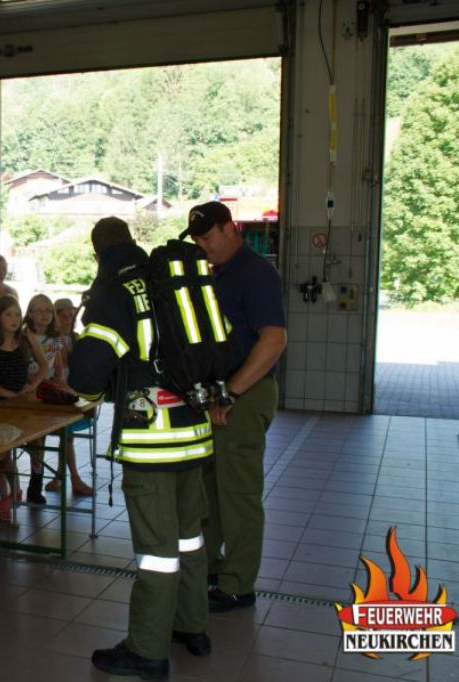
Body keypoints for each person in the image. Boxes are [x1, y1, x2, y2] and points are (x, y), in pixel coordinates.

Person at [69, 217, 214, 681]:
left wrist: (83, 399)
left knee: (156, 551)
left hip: (152, 441)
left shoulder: (116, 290)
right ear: (132, 241)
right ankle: (192, 625)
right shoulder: (167, 276)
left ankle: (147, 649)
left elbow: (91, 365)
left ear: (97, 254)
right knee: (190, 536)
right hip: (195, 431)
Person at [182, 201, 287, 613]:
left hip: (246, 393)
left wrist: (232, 392)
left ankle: (239, 584)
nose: (202, 246)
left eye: (207, 238)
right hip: (220, 394)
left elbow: (274, 339)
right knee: (210, 487)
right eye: (197, 240)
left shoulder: (255, 273)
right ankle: (212, 566)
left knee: (238, 492)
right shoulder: (220, 273)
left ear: (230, 229)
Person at [0, 295, 46, 522]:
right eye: (8, 314)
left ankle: (16, 491)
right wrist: (8, 394)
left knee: (22, 446)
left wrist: (32, 385)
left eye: (17, 315)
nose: (14, 319)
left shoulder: (25, 339)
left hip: (20, 404)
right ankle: (8, 497)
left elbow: (43, 364)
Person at [22, 293, 66, 504]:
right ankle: (34, 482)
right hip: (30, 389)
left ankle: (36, 481)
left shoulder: (55, 337)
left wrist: (59, 382)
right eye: (39, 310)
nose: (45, 314)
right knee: (35, 439)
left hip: (47, 389)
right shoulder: (25, 336)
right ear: (30, 313)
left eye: (48, 310)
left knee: (42, 437)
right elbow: (23, 366)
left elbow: (58, 364)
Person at [49, 298, 94, 496]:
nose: (67, 320)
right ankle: (73, 478)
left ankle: (62, 475)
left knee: (67, 437)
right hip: (57, 393)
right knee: (66, 436)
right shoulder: (53, 339)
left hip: (72, 393)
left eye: (70, 316)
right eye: (63, 316)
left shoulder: (77, 338)